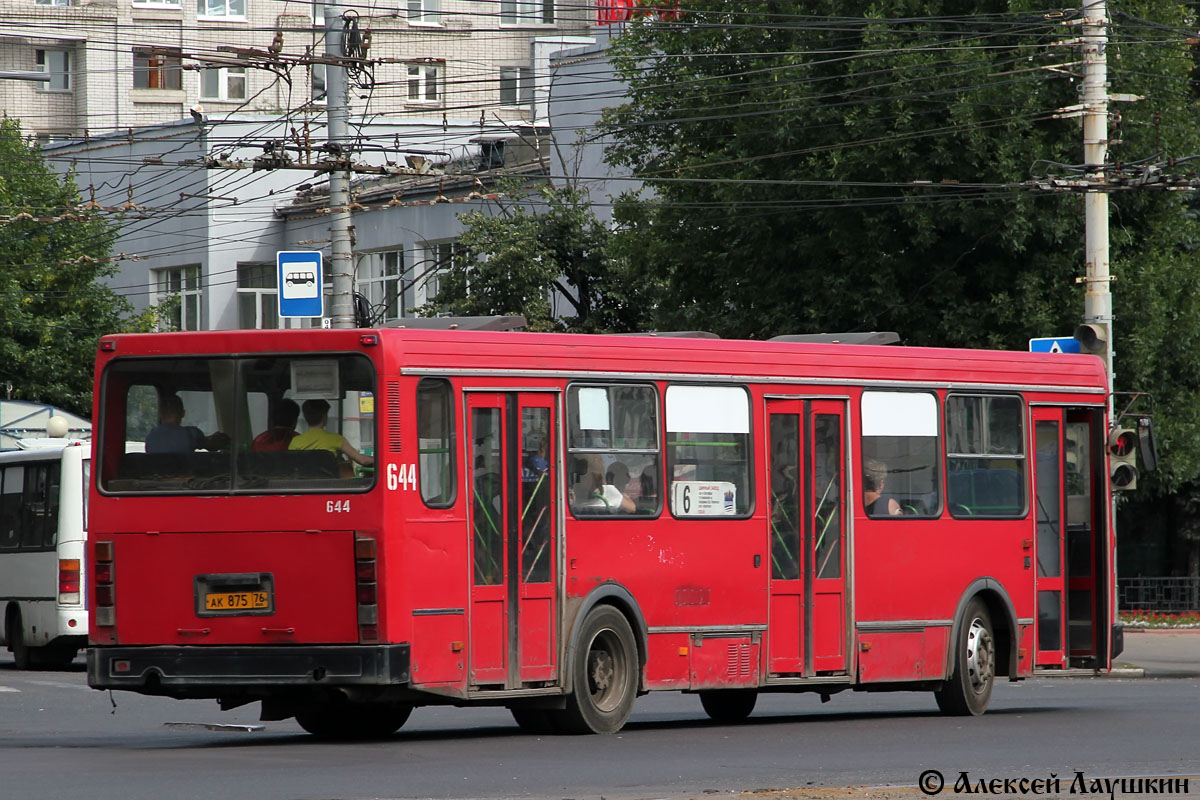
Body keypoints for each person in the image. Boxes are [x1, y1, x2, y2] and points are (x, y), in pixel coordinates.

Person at [288, 398, 373, 467]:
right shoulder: (336, 439)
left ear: (305, 417)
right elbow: (363, 460)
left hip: (304, 486)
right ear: (325, 416)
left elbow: (291, 466)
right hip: (330, 485)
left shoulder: (295, 441)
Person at [145, 394, 225, 454]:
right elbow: (212, 446)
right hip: (183, 476)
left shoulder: (150, 436)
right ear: (183, 413)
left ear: (159, 413)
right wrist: (220, 438)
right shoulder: (191, 434)